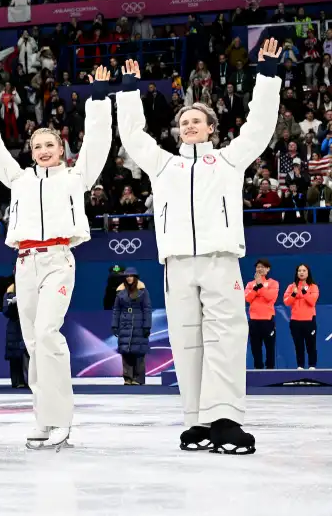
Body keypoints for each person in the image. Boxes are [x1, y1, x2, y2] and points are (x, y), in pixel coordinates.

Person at [115, 38, 283, 455]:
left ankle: (226, 419)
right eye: (184, 122)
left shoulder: (228, 160)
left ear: (211, 128)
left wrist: (266, 76)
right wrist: (129, 92)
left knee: (225, 337)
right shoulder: (164, 164)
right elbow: (133, 136)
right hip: (177, 264)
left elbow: (259, 128)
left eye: (197, 121)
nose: (189, 126)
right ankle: (198, 420)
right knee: (187, 342)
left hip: (219, 259)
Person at [0, 68, 111, 451]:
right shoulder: (20, 180)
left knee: (48, 334)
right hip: (25, 262)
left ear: (61, 149)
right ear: (31, 153)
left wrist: (98, 98)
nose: (44, 151)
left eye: (50, 145)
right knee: (33, 342)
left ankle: (62, 419)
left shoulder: (76, 178)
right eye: (37, 146)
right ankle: (44, 418)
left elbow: (98, 142)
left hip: (58, 260)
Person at [111, 268, 152, 386]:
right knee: (126, 351)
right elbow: (116, 310)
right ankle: (128, 378)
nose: (129, 278)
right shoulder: (120, 291)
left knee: (139, 352)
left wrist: (147, 326)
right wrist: (114, 325)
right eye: (127, 276)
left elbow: (147, 309)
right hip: (125, 323)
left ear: (135, 277)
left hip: (139, 324)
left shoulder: (143, 291)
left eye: (131, 275)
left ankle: (138, 378)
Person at [284, 263, 320, 370]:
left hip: (309, 320)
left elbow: (312, 301)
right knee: (298, 345)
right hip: (295, 321)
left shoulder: (313, 286)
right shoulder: (291, 287)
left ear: (308, 273)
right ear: (297, 273)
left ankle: (312, 365)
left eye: (304, 271)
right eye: (299, 271)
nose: (301, 273)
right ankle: (300, 366)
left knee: (311, 345)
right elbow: (286, 302)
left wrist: (304, 291)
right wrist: (294, 294)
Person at [245, 258, 279, 369]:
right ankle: (258, 370)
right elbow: (248, 298)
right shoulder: (250, 284)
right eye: (258, 267)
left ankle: (270, 370)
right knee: (255, 348)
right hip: (254, 321)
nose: (260, 269)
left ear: (268, 269)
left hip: (267, 320)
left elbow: (270, 297)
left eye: (263, 267)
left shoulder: (273, 283)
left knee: (270, 348)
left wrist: (260, 287)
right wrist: (257, 287)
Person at [3, 282, 28, 388]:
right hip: (14, 326)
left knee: (27, 354)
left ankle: (28, 380)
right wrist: (13, 304)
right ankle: (17, 381)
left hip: (28, 324)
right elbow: (5, 311)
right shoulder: (10, 291)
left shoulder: (31, 288)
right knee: (14, 353)